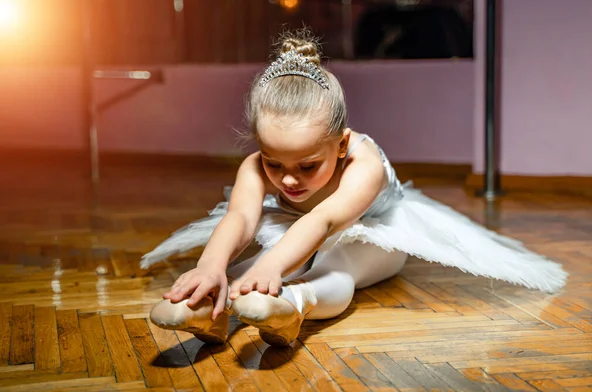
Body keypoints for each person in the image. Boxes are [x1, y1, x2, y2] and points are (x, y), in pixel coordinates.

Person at [141, 29, 568, 347]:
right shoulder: (255, 167)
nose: (288, 179)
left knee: (337, 262)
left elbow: (324, 219)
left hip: (373, 232)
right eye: (275, 162)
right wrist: (211, 265)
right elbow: (240, 218)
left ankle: (294, 307)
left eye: (308, 166)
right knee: (252, 262)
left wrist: (271, 269)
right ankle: (210, 305)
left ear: (341, 144)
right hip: (297, 229)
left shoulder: (365, 164)